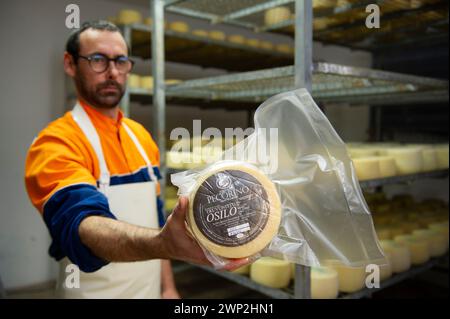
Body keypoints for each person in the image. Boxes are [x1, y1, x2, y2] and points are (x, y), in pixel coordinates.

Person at [24, 20, 211, 299]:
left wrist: (168, 287)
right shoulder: (54, 143)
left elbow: (157, 218)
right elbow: (82, 222)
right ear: (70, 64)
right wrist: (163, 244)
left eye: (121, 61)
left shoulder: (141, 137)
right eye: (98, 59)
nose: (112, 72)